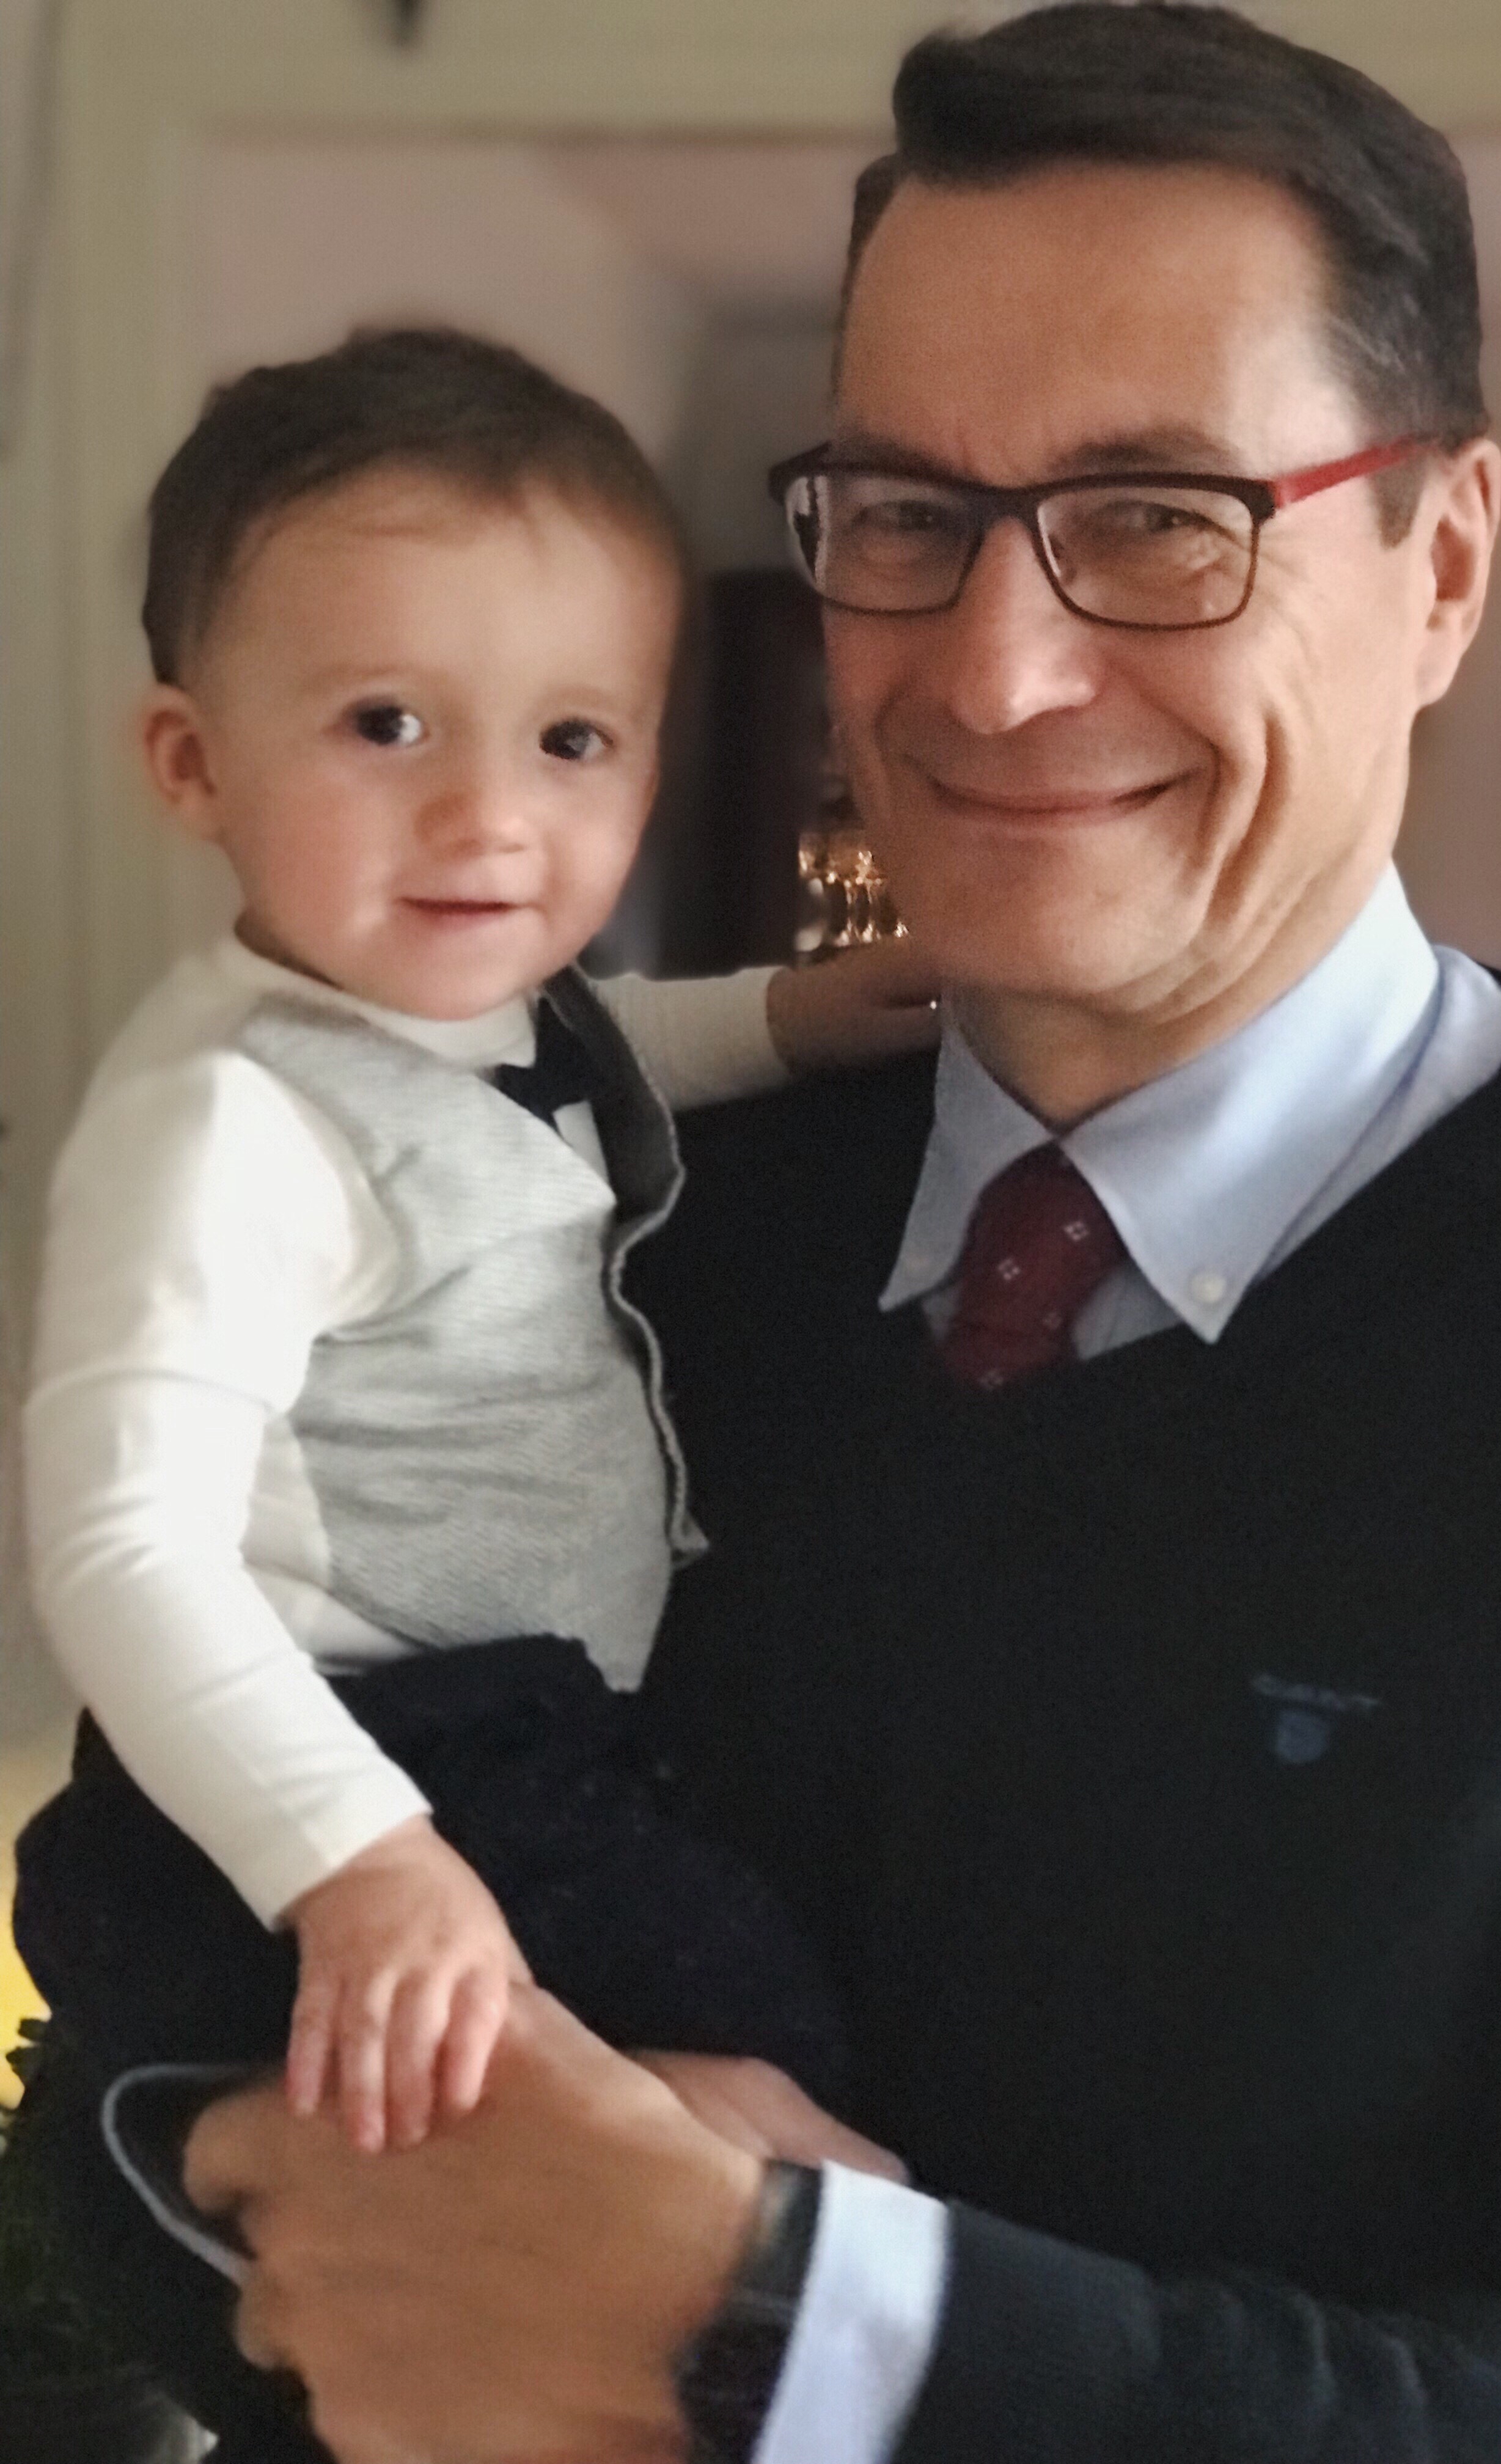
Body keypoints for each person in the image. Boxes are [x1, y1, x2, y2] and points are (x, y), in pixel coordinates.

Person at [112, 5, 1501, 2460]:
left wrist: (791, 2324)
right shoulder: (593, 1212)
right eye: (906, 515)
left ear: (1442, 565)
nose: (998, 676)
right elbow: (134, 1968)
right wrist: (288, 2190)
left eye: (1158, 518)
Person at [12, 326, 929, 2456]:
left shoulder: (488, 1008)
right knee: (770, 2095)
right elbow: (122, 1546)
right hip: (392, 1743)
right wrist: (360, 1860)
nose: (491, 814)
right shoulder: (234, 1119)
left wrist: (807, 1016)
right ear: (192, 764)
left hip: (522, 1733)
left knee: (699, 2119)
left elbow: (622, 1049)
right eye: (387, 723)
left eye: (574, 738)